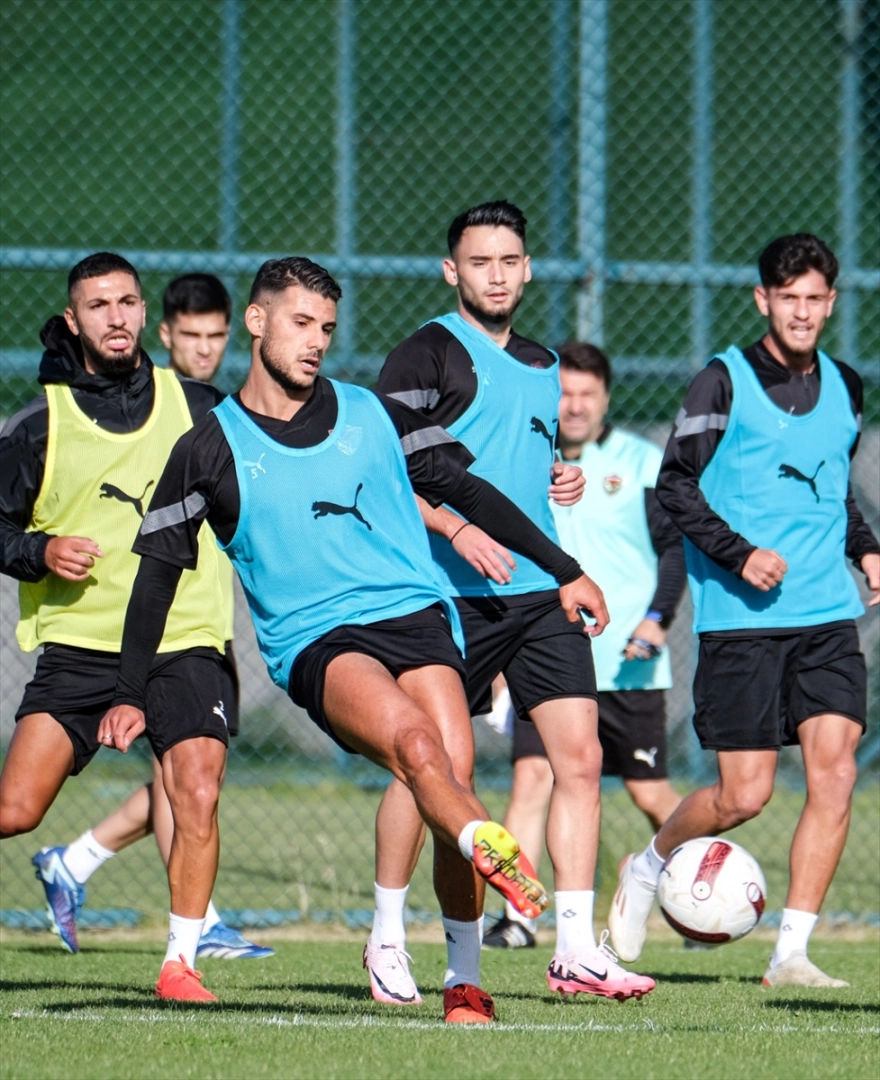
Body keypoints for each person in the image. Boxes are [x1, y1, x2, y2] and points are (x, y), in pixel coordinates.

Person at [97, 255, 608, 1019]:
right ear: (257, 322)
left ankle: (464, 976)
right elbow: (156, 577)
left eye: (327, 328)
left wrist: (566, 569)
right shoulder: (211, 445)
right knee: (417, 746)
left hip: (414, 612)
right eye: (301, 323)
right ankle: (481, 841)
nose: (316, 341)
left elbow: (465, 489)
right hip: (318, 639)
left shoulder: (371, 414)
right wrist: (128, 690)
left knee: (452, 766)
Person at [369, 201, 656, 1001]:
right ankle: (387, 936)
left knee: (581, 760)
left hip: (537, 593)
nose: (495, 275)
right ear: (450, 270)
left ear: (527, 269)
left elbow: (519, 459)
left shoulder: (543, 363)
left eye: (508, 261)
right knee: (428, 766)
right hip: (447, 595)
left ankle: (575, 950)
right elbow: (390, 477)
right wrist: (455, 529)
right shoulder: (424, 354)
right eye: (479, 262)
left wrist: (555, 476)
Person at [609, 233, 880, 988]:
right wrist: (739, 554)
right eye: (788, 298)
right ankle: (647, 866)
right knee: (744, 796)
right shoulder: (722, 381)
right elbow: (675, 484)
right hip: (742, 621)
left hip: (827, 616)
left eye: (815, 299)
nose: (802, 312)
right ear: (764, 300)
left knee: (836, 774)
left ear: (832, 302)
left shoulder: (846, 385)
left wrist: (866, 549)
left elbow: (831, 490)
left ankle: (790, 954)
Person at [0, 253, 241, 1000]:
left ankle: (181, 963)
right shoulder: (42, 424)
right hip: (82, 646)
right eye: (99, 305)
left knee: (196, 786)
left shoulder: (200, 407)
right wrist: (40, 551)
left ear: (144, 312)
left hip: (183, 637)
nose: (116, 316)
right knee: (16, 810)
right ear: (73, 321)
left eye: (128, 301)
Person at [483, 342, 686, 949]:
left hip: (626, 663)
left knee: (651, 793)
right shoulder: (523, 459)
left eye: (586, 395)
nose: (574, 406)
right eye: (564, 394)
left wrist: (657, 620)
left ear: (606, 399)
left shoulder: (640, 463)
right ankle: (518, 918)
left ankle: (702, 894)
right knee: (532, 779)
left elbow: (674, 551)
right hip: (543, 655)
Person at [159, 273, 232, 383]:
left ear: (227, 335)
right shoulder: (147, 394)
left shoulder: (226, 396)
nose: (205, 350)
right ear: (166, 335)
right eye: (191, 336)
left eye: (215, 336)